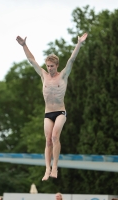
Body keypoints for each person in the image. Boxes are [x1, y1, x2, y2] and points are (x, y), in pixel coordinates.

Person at [16, 32, 88, 181]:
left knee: (55, 136)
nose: (49, 68)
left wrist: (79, 43)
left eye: (52, 66)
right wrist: (24, 45)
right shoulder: (43, 75)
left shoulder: (63, 76)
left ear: (57, 66)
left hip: (60, 112)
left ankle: (55, 167)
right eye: (48, 66)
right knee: (48, 140)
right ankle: (47, 169)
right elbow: (31, 60)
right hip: (48, 113)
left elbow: (72, 60)